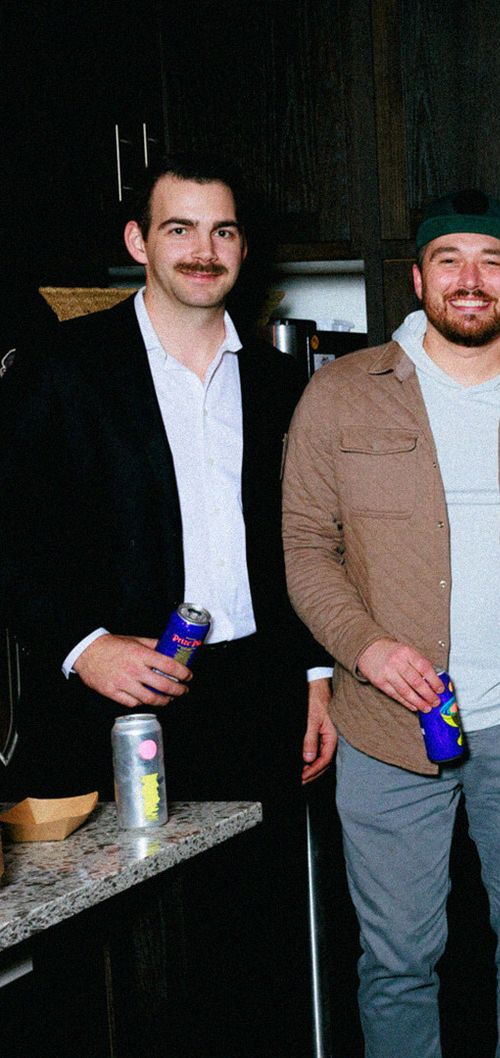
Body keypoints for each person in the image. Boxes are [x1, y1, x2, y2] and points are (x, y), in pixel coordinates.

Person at [0, 153, 330, 1052]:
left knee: (247, 954)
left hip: (252, 700)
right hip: (113, 703)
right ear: (138, 240)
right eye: (179, 228)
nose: (202, 249)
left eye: (222, 230)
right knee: (114, 978)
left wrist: (313, 676)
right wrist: (82, 644)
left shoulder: (277, 383)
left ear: (242, 248)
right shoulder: (64, 366)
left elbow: (300, 544)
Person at [283, 189, 500, 1058]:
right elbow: (307, 550)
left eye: (491, 261)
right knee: (397, 959)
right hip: (386, 727)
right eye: (450, 261)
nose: (471, 280)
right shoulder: (338, 397)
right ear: (419, 276)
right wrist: (366, 648)